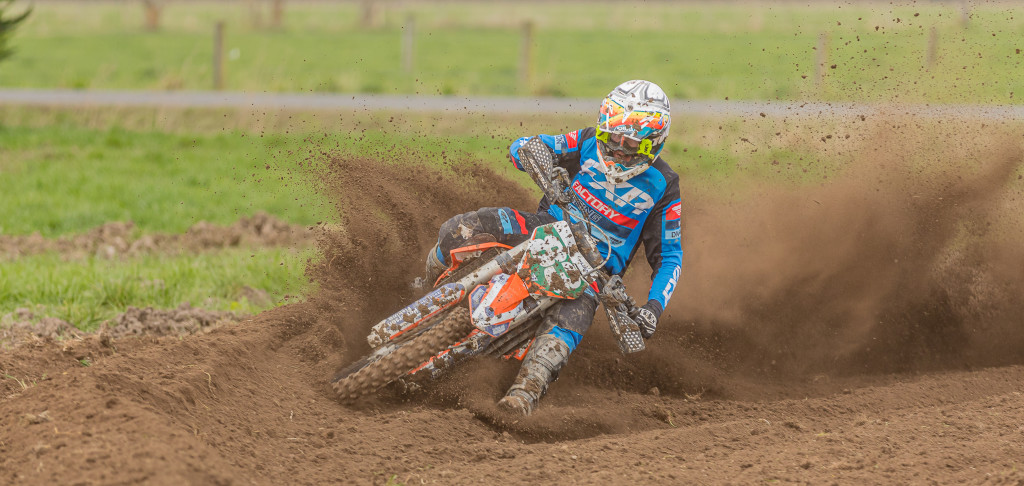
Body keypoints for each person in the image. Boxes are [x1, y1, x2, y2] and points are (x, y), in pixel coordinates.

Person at [424, 80, 683, 416]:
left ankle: (524, 394)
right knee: (461, 229)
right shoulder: (588, 141)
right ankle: (424, 285)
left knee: (564, 328)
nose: (618, 148)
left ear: (653, 142)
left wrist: (653, 308)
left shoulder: (664, 185)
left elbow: (670, 256)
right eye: (612, 136)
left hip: (593, 273)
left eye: (630, 142)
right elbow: (531, 145)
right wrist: (528, 155)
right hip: (544, 227)